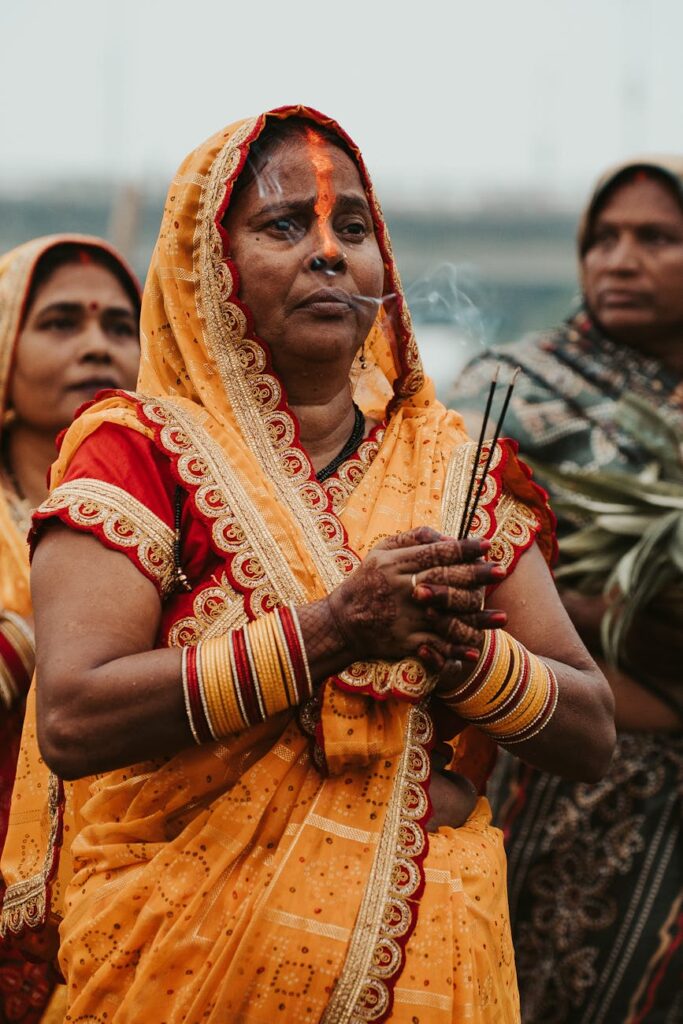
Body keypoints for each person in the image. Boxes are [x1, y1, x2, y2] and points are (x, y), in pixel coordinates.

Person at [0, 108, 614, 1024]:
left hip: (431, 964)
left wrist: (466, 655)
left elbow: (591, 730)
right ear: (211, 263)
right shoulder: (139, 450)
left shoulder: (456, 469)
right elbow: (78, 717)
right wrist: (333, 630)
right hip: (184, 966)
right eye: (287, 225)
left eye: (353, 229)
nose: (329, 253)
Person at [453, 158, 683, 1022]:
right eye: (603, 238)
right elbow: (463, 562)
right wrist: (618, 619)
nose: (620, 259)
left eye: (656, 238)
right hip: (572, 780)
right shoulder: (510, 390)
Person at [0, 235, 141, 1022]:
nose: (96, 345)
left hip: (128, 880)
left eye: (121, 327)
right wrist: (26, 637)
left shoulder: (175, 514)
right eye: (60, 322)